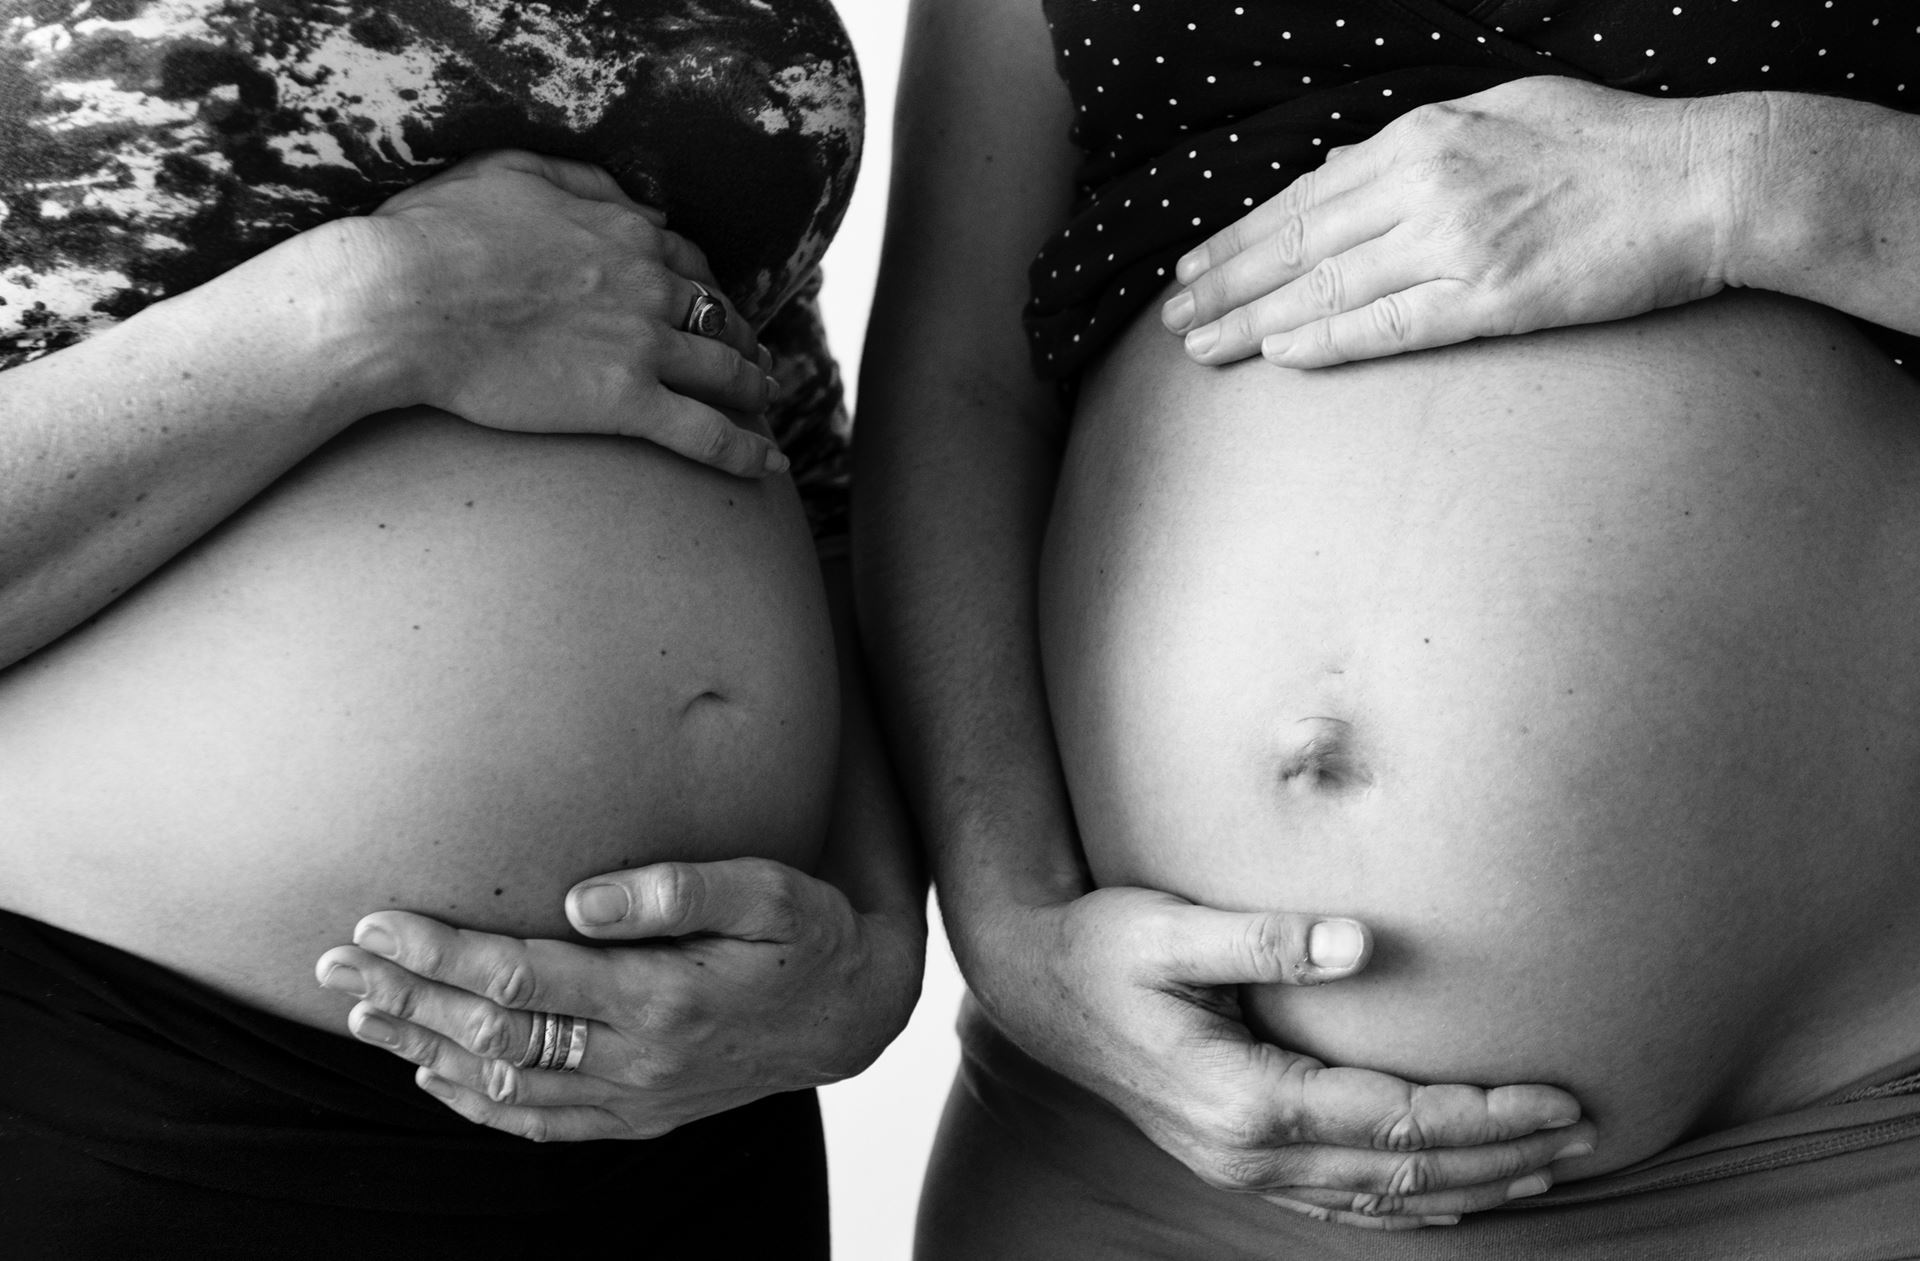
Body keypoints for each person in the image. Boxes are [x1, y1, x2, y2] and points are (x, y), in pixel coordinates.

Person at [853, 0, 1920, 1255]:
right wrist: (1017, 937)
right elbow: (963, 386)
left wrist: (1738, 184)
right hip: (1142, 1148)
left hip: (1832, 1143)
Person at [0, 2, 921, 1255]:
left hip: (699, 1084)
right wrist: (373, 301)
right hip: (148, 1083)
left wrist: (868, 943)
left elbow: (785, 440)